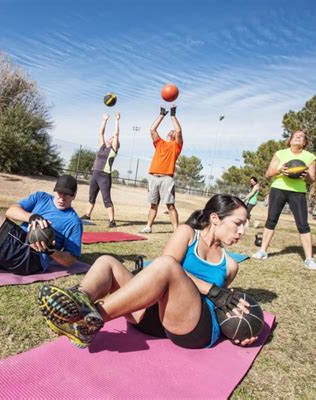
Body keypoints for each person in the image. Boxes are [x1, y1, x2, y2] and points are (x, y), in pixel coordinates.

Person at [39, 194, 258, 350]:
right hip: (153, 319)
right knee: (107, 261)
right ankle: (78, 299)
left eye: (244, 225)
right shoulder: (187, 234)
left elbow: (220, 305)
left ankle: (87, 321)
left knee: (166, 266)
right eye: (238, 223)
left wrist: (239, 330)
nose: (242, 231)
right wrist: (213, 290)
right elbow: (167, 269)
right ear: (215, 218)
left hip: (192, 327)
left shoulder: (230, 265)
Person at [252, 130, 316, 270]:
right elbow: (268, 174)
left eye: (302, 137)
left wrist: (305, 175)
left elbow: (312, 180)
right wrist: (280, 170)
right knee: (271, 220)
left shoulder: (310, 157)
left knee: (303, 225)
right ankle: (263, 251)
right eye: (296, 136)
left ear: (305, 142)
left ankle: (309, 259)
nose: (298, 138)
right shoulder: (280, 153)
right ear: (290, 139)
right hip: (278, 189)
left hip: (298, 192)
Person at [139, 105, 183, 233]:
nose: (172, 131)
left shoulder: (176, 146)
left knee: (170, 205)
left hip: (167, 179)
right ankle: (148, 227)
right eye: (171, 130)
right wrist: (162, 114)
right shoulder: (160, 143)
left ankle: (176, 231)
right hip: (154, 177)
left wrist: (173, 115)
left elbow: (179, 131)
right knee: (153, 205)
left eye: (173, 131)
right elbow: (152, 129)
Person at [80, 113, 120, 228]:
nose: (110, 137)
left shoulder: (113, 150)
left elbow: (116, 134)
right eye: (111, 137)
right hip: (95, 174)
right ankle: (87, 215)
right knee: (91, 196)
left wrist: (117, 120)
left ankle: (112, 221)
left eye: (112, 138)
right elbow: (101, 133)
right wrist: (104, 120)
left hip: (104, 176)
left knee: (106, 199)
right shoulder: (102, 147)